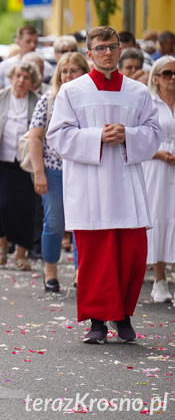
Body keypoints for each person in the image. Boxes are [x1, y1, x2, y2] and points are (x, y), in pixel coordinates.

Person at [48, 25, 161, 344]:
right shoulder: (72, 91)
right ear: (89, 53)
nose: (108, 53)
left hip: (126, 184)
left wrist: (130, 135)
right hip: (89, 185)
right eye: (101, 48)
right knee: (96, 257)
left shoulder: (138, 92)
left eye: (113, 47)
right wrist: (97, 136)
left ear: (120, 49)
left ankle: (123, 316)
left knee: (132, 254)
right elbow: (57, 136)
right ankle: (97, 322)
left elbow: (154, 132)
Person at [27, 53, 89, 292]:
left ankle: (79, 272)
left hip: (83, 170)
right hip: (53, 171)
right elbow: (34, 137)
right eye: (64, 71)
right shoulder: (49, 99)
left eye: (74, 70)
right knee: (53, 223)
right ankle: (50, 271)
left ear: (84, 73)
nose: (68, 75)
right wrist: (39, 173)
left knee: (82, 224)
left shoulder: (89, 101)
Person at [0, 61, 40, 270]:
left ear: (32, 81)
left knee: (25, 209)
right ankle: (2, 239)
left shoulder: (36, 101)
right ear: (10, 77)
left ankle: (21, 253)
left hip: (27, 164)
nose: (21, 81)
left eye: (26, 77)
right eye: (17, 76)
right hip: (1, 161)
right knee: (0, 206)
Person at [144, 56, 175, 303]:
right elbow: (137, 138)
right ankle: (159, 280)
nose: (172, 78)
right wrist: (158, 153)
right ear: (156, 78)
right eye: (166, 73)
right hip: (156, 165)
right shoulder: (149, 103)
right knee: (159, 216)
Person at [0, 26, 52, 90]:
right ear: (18, 41)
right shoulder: (4, 67)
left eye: (35, 42)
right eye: (28, 41)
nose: (33, 45)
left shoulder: (46, 67)